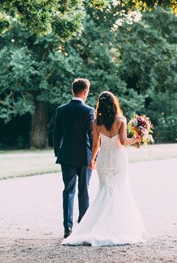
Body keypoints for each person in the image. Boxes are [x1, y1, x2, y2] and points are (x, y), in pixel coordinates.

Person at [62, 91, 146, 247]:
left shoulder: (97, 122)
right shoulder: (121, 120)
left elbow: (95, 145)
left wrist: (92, 160)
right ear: (114, 103)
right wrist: (136, 139)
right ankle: (116, 227)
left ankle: (96, 226)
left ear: (100, 105)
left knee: (104, 190)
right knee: (119, 189)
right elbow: (122, 142)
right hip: (118, 159)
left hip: (103, 159)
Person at [53, 78, 96, 239]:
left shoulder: (61, 110)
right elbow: (92, 137)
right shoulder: (88, 111)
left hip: (67, 156)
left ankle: (67, 227)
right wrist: (94, 157)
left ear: (73, 90)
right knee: (84, 190)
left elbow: (57, 134)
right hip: (84, 156)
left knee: (68, 191)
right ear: (85, 92)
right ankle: (83, 226)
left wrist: (59, 152)